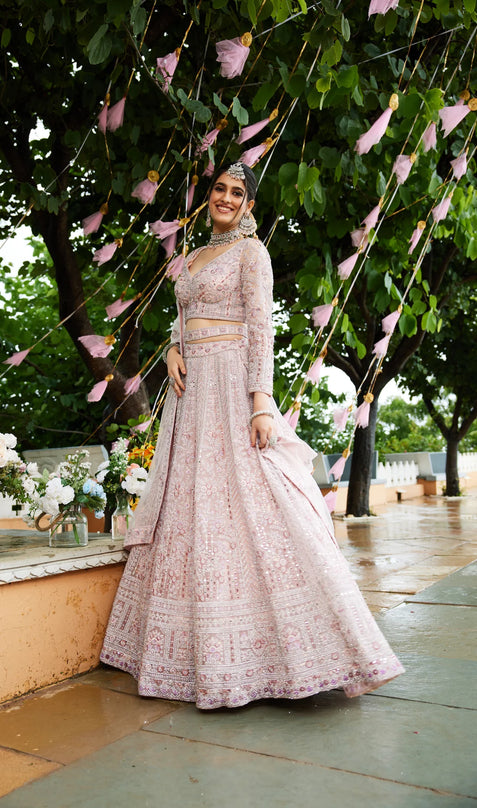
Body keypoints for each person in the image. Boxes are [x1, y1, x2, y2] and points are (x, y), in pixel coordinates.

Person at [100, 162, 404, 709]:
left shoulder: (251, 254)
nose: (225, 197)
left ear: (249, 205)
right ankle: (189, 654)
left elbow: (260, 326)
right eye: (218, 188)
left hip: (231, 384)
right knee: (190, 503)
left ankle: (304, 647)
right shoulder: (188, 261)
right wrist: (171, 349)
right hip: (190, 396)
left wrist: (261, 402)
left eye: (237, 192)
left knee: (252, 494)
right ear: (207, 197)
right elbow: (182, 319)